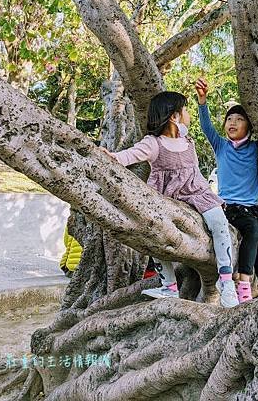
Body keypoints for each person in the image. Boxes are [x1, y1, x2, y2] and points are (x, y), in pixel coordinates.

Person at [102, 91, 239, 309]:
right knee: (156, 234)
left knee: (219, 223)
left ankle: (226, 280)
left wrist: (203, 101)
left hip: (197, 191)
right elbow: (131, 155)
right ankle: (169, 285)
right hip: (167, 195)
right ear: (174, 116)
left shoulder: (186, 138)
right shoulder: (153, 143)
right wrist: (113, 157)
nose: (188, 114)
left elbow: (196, 149)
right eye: (185, 110)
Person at [195, 78, 258, 303]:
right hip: (231, 208)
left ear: (249, 125)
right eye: (229, 119)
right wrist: (203, 101)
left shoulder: (255, 148)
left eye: (239, 119)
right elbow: (206, 127)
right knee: (252, 230)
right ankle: (243, 282)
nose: (232, 123)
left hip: (254, 209)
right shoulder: (221, 145)